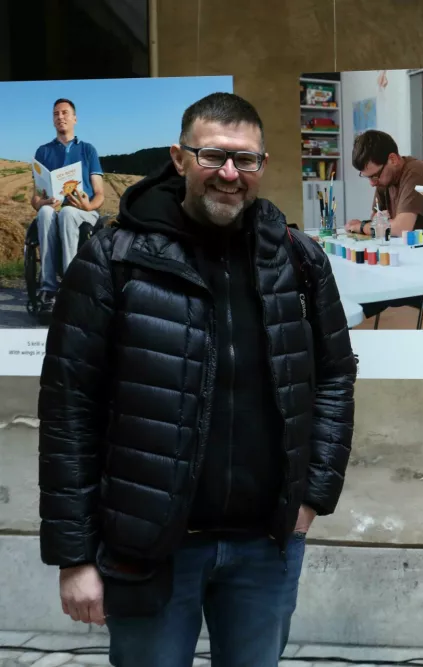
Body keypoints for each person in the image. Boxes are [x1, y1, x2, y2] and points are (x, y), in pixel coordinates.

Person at [37, 92, 358, 667]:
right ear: (180, 158)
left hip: (266, 549)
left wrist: (312, 497)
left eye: (246, 160)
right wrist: (75, 557)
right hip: (151, 550)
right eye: (212, 156)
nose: (230, 174)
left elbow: (335, 375)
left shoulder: (297, 259)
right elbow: (68, 408)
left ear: (262, 164)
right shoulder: (113, 257)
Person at [30, 98, 105, 311]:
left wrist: (87, 206)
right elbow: (34, 198)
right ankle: (48, 288)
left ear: (74, 118)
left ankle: (71, 287)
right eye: (56, 114)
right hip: (55, 210)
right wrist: (43, 202)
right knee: (44, 212)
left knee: (69, 213)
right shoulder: (42, 152)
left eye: (64, 113)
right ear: (53, 120)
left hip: (83, 211)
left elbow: (99, 194)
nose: (60, 117)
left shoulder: (88, 150)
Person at [345, 129, 423, 241]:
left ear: (393, 159)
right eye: (367, 177)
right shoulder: (383, 179)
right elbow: (376, 220)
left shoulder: (415, 171)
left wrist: (362, 227)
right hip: (415, 244)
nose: (372, 183)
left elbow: (402, 228)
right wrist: (376, 224)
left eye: (374, 176)